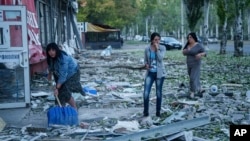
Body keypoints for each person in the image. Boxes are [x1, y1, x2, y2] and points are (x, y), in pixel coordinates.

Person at [46, 42, 84, 110]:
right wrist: (49, 74)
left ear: (56, 50)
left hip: (73, 73)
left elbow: (63, 75)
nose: (51, 52)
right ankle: (61, 108)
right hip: (59, 73)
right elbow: (51, 66)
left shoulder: (63, 58)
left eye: (53, 50)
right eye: (49, 50)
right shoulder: (51, 57)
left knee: (64, 90)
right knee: (59, 93)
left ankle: (74, 108)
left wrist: (57, 88)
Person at [143, 32, 166, 117]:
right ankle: (145, 112)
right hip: (150, 73)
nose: (157, 41)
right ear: (152, 40)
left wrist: (157, 49)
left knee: (158, 93)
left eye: (158, 40)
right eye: (155, 40)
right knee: (146, 93)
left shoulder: (162, 48)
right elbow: (145, 60)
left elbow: (160, 59)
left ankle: (158, 112)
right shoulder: (147, 49)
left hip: (160, 74)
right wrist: (146, 65)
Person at [182, 32, 206, 99]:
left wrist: (200, 54)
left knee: (192, 78)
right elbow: (183, 53)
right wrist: (186, 51)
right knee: (194, 77)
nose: (189, 39)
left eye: (190, 37)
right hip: (189, 63)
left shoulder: (198, 45)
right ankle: (200, 89)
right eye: (188, 37)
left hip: (196, 63)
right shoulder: (187, 45)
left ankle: (192, 92)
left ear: (194, 38)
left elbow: (205, 52)